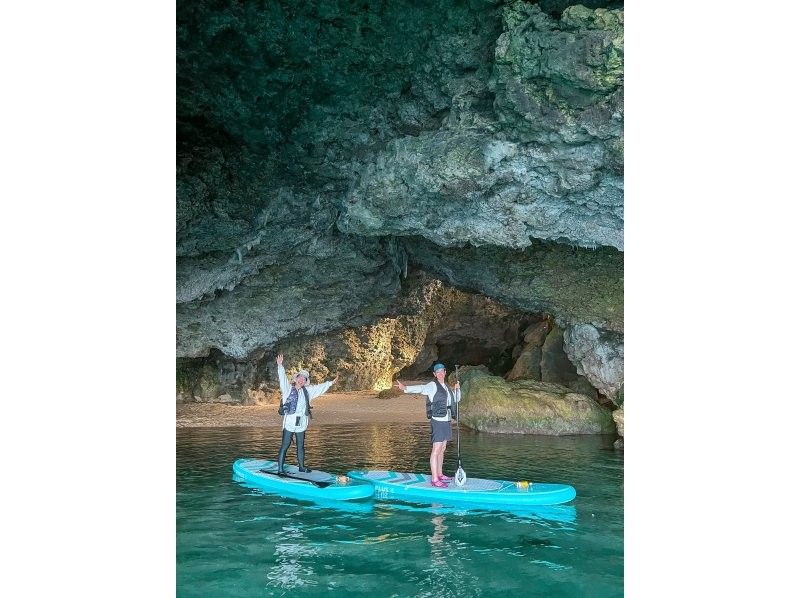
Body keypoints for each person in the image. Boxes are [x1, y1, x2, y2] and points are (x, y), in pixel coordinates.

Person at [395, 363, 461, 488]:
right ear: (434, 374)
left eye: (442, 371)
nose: (440, 373)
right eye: (438, 372)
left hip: (446, 420)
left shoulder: (446, 387)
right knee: (436, 450)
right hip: (438, 421)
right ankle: (435, 479)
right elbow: (421, 388)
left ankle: (440, 474)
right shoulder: (432, 385)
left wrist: (457, 389)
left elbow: (456, 400)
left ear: (445, 372)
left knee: (442, 449)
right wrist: (405, 388)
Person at [275, 353, 337, 473]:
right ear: (296, 378)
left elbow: (319, 388)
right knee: (285, 445)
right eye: (300, 378)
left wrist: (330, 383)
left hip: (302, 422)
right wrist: (280, 366)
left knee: (300, 446)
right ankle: (280, 469)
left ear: (305, 381)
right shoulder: (288, 389)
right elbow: (282, 379)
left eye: (304, 379)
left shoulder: (308, 391)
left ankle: (302, 467)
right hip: (290, 422)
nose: (302, 380)